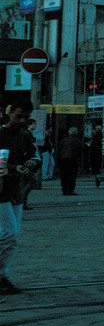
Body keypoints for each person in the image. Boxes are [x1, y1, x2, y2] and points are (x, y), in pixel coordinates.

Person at [1, 104, 37, 294]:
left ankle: (3, 276)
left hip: (16, 191)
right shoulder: (1, 134)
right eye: (19, 116)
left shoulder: (24, 136)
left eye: (26, 117)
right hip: (1, 191)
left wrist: (33, 162)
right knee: (9, 234)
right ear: (10, 113)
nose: (22, 121)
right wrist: (14, 168)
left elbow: (34, 155)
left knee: (13, 237)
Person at [57, 126, 83, 195]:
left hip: (63, 159)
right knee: (72, 175)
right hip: (73, 159)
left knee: (64, 175)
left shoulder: (64, 140)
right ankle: (70, 189)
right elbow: (80, 151)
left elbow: (59, 149)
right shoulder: (78, 141)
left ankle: (64, 189)